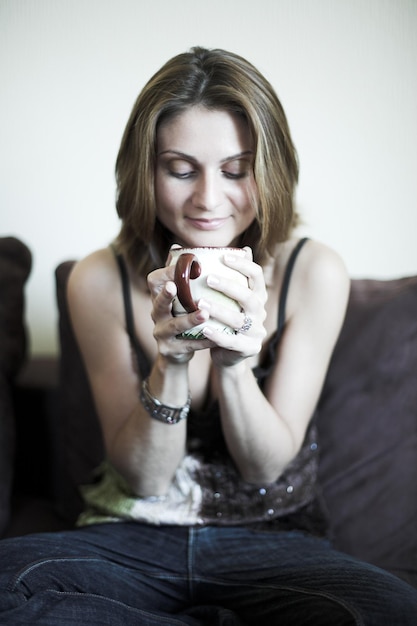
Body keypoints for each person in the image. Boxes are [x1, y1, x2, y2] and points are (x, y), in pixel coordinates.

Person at [0, 46, 416, 625]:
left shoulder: (312, 271)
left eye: (235, 169)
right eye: (180, 168)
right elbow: (144, 478)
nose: (208, 199)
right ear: (146, 170)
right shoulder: (100, 279)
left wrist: (234, 361)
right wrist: (170, 363)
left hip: (272, 543)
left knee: (390, 610)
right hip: (128, 540)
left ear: (268, 170)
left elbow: (265, 469)